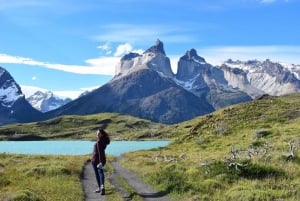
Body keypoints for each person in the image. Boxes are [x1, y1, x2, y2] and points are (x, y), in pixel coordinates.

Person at [91, 128, 110, 195]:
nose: (97, 134)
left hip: (96, 160)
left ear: (101, 134)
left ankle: (101, 187)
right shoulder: (103, 140)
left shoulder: (99, 141)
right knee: (101, 173)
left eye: (98, 133)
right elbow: (100, 152)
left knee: (98, 174)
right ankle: (101, 187)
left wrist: (100, 162)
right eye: (96, 133)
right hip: (100, 159)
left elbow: (100, 152)